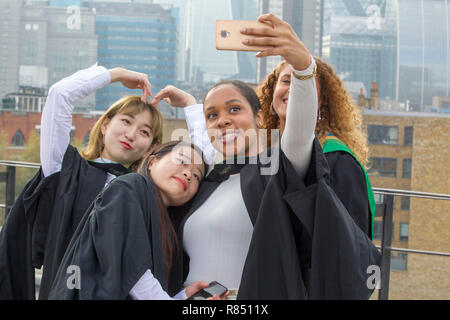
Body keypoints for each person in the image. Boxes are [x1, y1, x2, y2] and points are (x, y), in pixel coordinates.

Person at [153, 14, 381, 300]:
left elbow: (335, 238)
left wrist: (303, 67)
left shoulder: (285, 167)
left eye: (235, 109)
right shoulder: (214, 175)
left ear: (259, 116)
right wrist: (190, 105)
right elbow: (208, 145)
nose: (222, 121)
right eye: (212, 115)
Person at [0, 64, 170, 299]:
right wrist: (116, 74)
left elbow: (195, 174)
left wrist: (191, 106)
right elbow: (60, 95)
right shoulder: (67, 171)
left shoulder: (143, 193)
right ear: (105, 125)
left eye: (144, 132)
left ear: (149, 148)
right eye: (126, 121)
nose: (131, 135)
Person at [48, 141, 223, 300]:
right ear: (152, 162)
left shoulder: (169, 225)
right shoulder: (129, 186)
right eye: (182, 161)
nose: (188, 174)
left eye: (197, 176)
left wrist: (182, 296)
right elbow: (129, 265)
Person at [257, 55, 375, 239]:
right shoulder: (263, 150)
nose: (293, 89)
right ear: (272, 92)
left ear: (321, 102)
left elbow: (350, 235)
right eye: (286, 81)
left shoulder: (338, 159)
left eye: (304, 84)